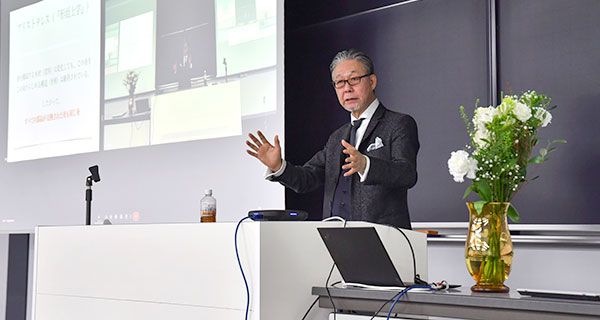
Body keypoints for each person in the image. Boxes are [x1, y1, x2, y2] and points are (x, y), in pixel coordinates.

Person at [246, 49, 419, 229]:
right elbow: (308, 178)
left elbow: (407, 174)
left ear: (372, 81)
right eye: (340, 82)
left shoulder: (398, 123)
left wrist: (365, 165)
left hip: (384, 239)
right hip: (335, 238)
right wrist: (278, 166)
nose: (347, 88)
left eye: (354, 79)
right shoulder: (337, 137)